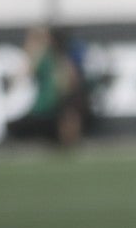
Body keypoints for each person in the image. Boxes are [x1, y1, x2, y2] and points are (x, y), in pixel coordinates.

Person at [17, 24, 88, 152]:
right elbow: (26, 72)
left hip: (58, 100)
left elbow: (69, 79)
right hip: (42, 103)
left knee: (70, 112)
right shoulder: (42, 56)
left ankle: (69, 143)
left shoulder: (60, 56)